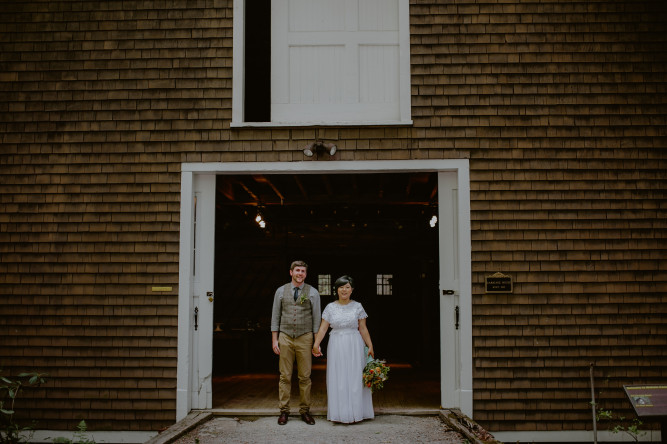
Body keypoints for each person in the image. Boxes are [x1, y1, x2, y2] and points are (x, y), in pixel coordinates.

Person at [312, 275, 375, 423]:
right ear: (337, 290)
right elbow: (323, 328)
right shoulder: (330, 307)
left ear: (352, 290)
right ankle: (341, 413)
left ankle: (357, 412)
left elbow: (363, 328)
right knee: (338, 377)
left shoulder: (357, 306)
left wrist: (370, 345)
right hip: (336, 344)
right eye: (341, 287)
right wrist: (316, 344)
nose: (344, 290)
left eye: (347, 287)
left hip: (354, 343)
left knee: (355, 377)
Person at [270, 260, 322, 425]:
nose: (300, 273)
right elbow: (275, 316)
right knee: (284, 375)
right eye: (297, 270)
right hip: (285, 336)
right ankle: (284, 411)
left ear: (306, 274)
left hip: (305, 336)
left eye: (303, 271)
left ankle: (305, 411)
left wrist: (316, 342)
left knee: (305, 376)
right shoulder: (280, 291)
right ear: (291, 272)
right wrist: (274, 340)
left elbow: (316, 319)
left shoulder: (313, 292)